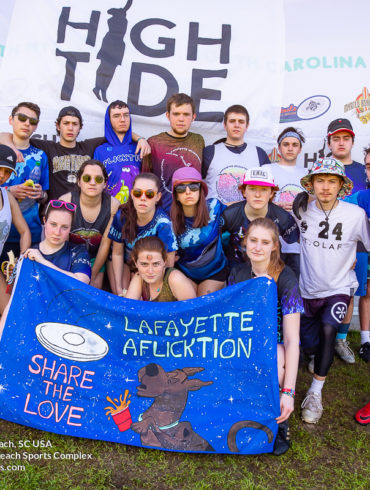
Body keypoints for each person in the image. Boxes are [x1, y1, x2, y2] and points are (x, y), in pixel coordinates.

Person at [293, 158, 370, 424]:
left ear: (341, 186)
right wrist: (294, 202)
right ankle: (316, 355)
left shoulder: (355, 214)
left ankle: (315, 394)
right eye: (320, 181)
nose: (326, 187)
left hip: (339, 288)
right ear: (311, 185)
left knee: (329, 331)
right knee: (309, 344)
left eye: (332, 181)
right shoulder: (301, 210)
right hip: (308, 291)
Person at [228, 217, 302, 456]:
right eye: (253, 240)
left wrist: (288, 392)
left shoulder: (286, 279)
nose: (258, 247)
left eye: (265, 242)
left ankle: (279, 417)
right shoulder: (238, 273)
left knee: (275, 360)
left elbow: (292, 341)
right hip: (245, 341)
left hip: (276, 344)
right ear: (245, 242)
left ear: (274, 246)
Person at [0, 105, 150, 200]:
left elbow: (117, 132)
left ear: (80, 127)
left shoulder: (89, 146)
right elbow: (4, 135)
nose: (70, 128)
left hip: (83, 213)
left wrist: (140, 138)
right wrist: (12, 148)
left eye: (74, 124)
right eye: (66, 123)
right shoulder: (48, 147)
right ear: (58, 126)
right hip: (55, 213)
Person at [92, 173, 177, 295]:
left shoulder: (163, 224)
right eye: (138, 193)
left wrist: (159, 287)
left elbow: (168, 261)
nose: (143, 198)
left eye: (149, 194)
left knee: (146, 296)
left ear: (158, 197)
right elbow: (117, 253)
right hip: (124, 263)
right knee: (123, 296)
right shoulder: (122, 215)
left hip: (150, 266)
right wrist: (118, 286)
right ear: (132, 194)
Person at [327, 118, 367, 364]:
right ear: (328, 141)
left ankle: (341, 339)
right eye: (336, 138)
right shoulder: (322, 168)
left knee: (350, 292)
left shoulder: (363, 169)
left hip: (357, 243)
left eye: (346, 138)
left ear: (352, 141)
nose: (341, 143)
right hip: (325, 241)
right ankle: (321, 339)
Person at [221, 167, 299, 273]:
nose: (258, 195)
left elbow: (297, 248)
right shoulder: (229, 215)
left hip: (270, 273)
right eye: (252, 189)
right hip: (235, 273)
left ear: (271, 193)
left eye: (264, 189)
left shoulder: (283, 218)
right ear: (244, 192)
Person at [59, 159, 120, 289]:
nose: (92, 183)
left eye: (98, 179)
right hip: (69, 256)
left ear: (104, 184)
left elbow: (105, 243)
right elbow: (62, 242)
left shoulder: (113, 205)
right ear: (79, 181)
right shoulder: (66, 201)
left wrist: (92, 274)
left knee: (93, 291)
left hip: (96, 257)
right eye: (87, 178)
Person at [0, 102, 48, 263]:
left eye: (32, 121)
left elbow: (45, 195)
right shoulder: (2, 147)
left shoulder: (41, 156)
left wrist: (41, 194)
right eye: (22, 118)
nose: (27, 123)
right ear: (10, 120)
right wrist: (9, 191)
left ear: (36, 127)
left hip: (30, 235)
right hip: (2, 234)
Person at [170, 167, 228, 296]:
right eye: (181, 188)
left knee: (203, 301)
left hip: (215, 271)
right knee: (191, 305)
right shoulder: (170, 221)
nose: (188, 192)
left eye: (194, 187)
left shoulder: (214, 207)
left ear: (201, 191)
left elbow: (240, 209)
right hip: (186, 274)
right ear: (176, 196)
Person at [143, 93, 205, 213]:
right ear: (168, 115)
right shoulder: (154, 143)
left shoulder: (198, 140)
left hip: (193, 213)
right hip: (163, 213)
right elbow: (146, 182)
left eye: (186, 114)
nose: (181, 119)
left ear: (193, 117)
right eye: (176, 114)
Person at [202, 104, 270, 204]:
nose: (236, 125)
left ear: (247, 126)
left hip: (248, 217)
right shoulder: (210, 152)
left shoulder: (259, 153)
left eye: (241, 122)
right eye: (232, 121)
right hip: (215, 216)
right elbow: (195, 186)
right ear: (225, 125)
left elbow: (267, 189)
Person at [267, 127, 308, 278]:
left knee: (294, 292)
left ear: (300, 149)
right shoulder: (267, 170)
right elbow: (255, 199)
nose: (290, 148)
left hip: (298, 246)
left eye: (294, 144)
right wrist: (272, 205)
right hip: (271, 244)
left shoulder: (307, 174)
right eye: (286, 144)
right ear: (279, 148)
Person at [24, 200, 91, 284]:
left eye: (64, 227)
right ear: (44, 221)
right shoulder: (31, 253)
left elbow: (82, 282)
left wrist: (43, 262)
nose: (57, 232)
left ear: (71, 227)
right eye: (53, 224)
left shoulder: (78, 251)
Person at [344, 147, 370, 362]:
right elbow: (335, 205)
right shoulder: (361, 196)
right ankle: (365, 341)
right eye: (369, 167)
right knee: (365, 292)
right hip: (364, 251)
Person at [0, 145, 31, 314]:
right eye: (0, 169)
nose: (2, 175)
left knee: (10, 314)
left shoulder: (8, 197)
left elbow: (25, 231)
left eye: (7, 172)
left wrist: (22, 261)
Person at [93, 100, 142, 203]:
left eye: (126, 115)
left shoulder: (140, 147)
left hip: (137, 208)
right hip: (111, 209)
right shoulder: (100, 151)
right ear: (109, 120)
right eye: (116, 116)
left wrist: (141, 139)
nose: (122, 119)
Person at [125, 236, 196, 301]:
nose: (150, 271)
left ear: (164, 261)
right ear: (135, 263)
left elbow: (193, 312)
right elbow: (127, 308)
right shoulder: (139, 278)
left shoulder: (175, 279)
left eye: (156, 264)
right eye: (144, 264)